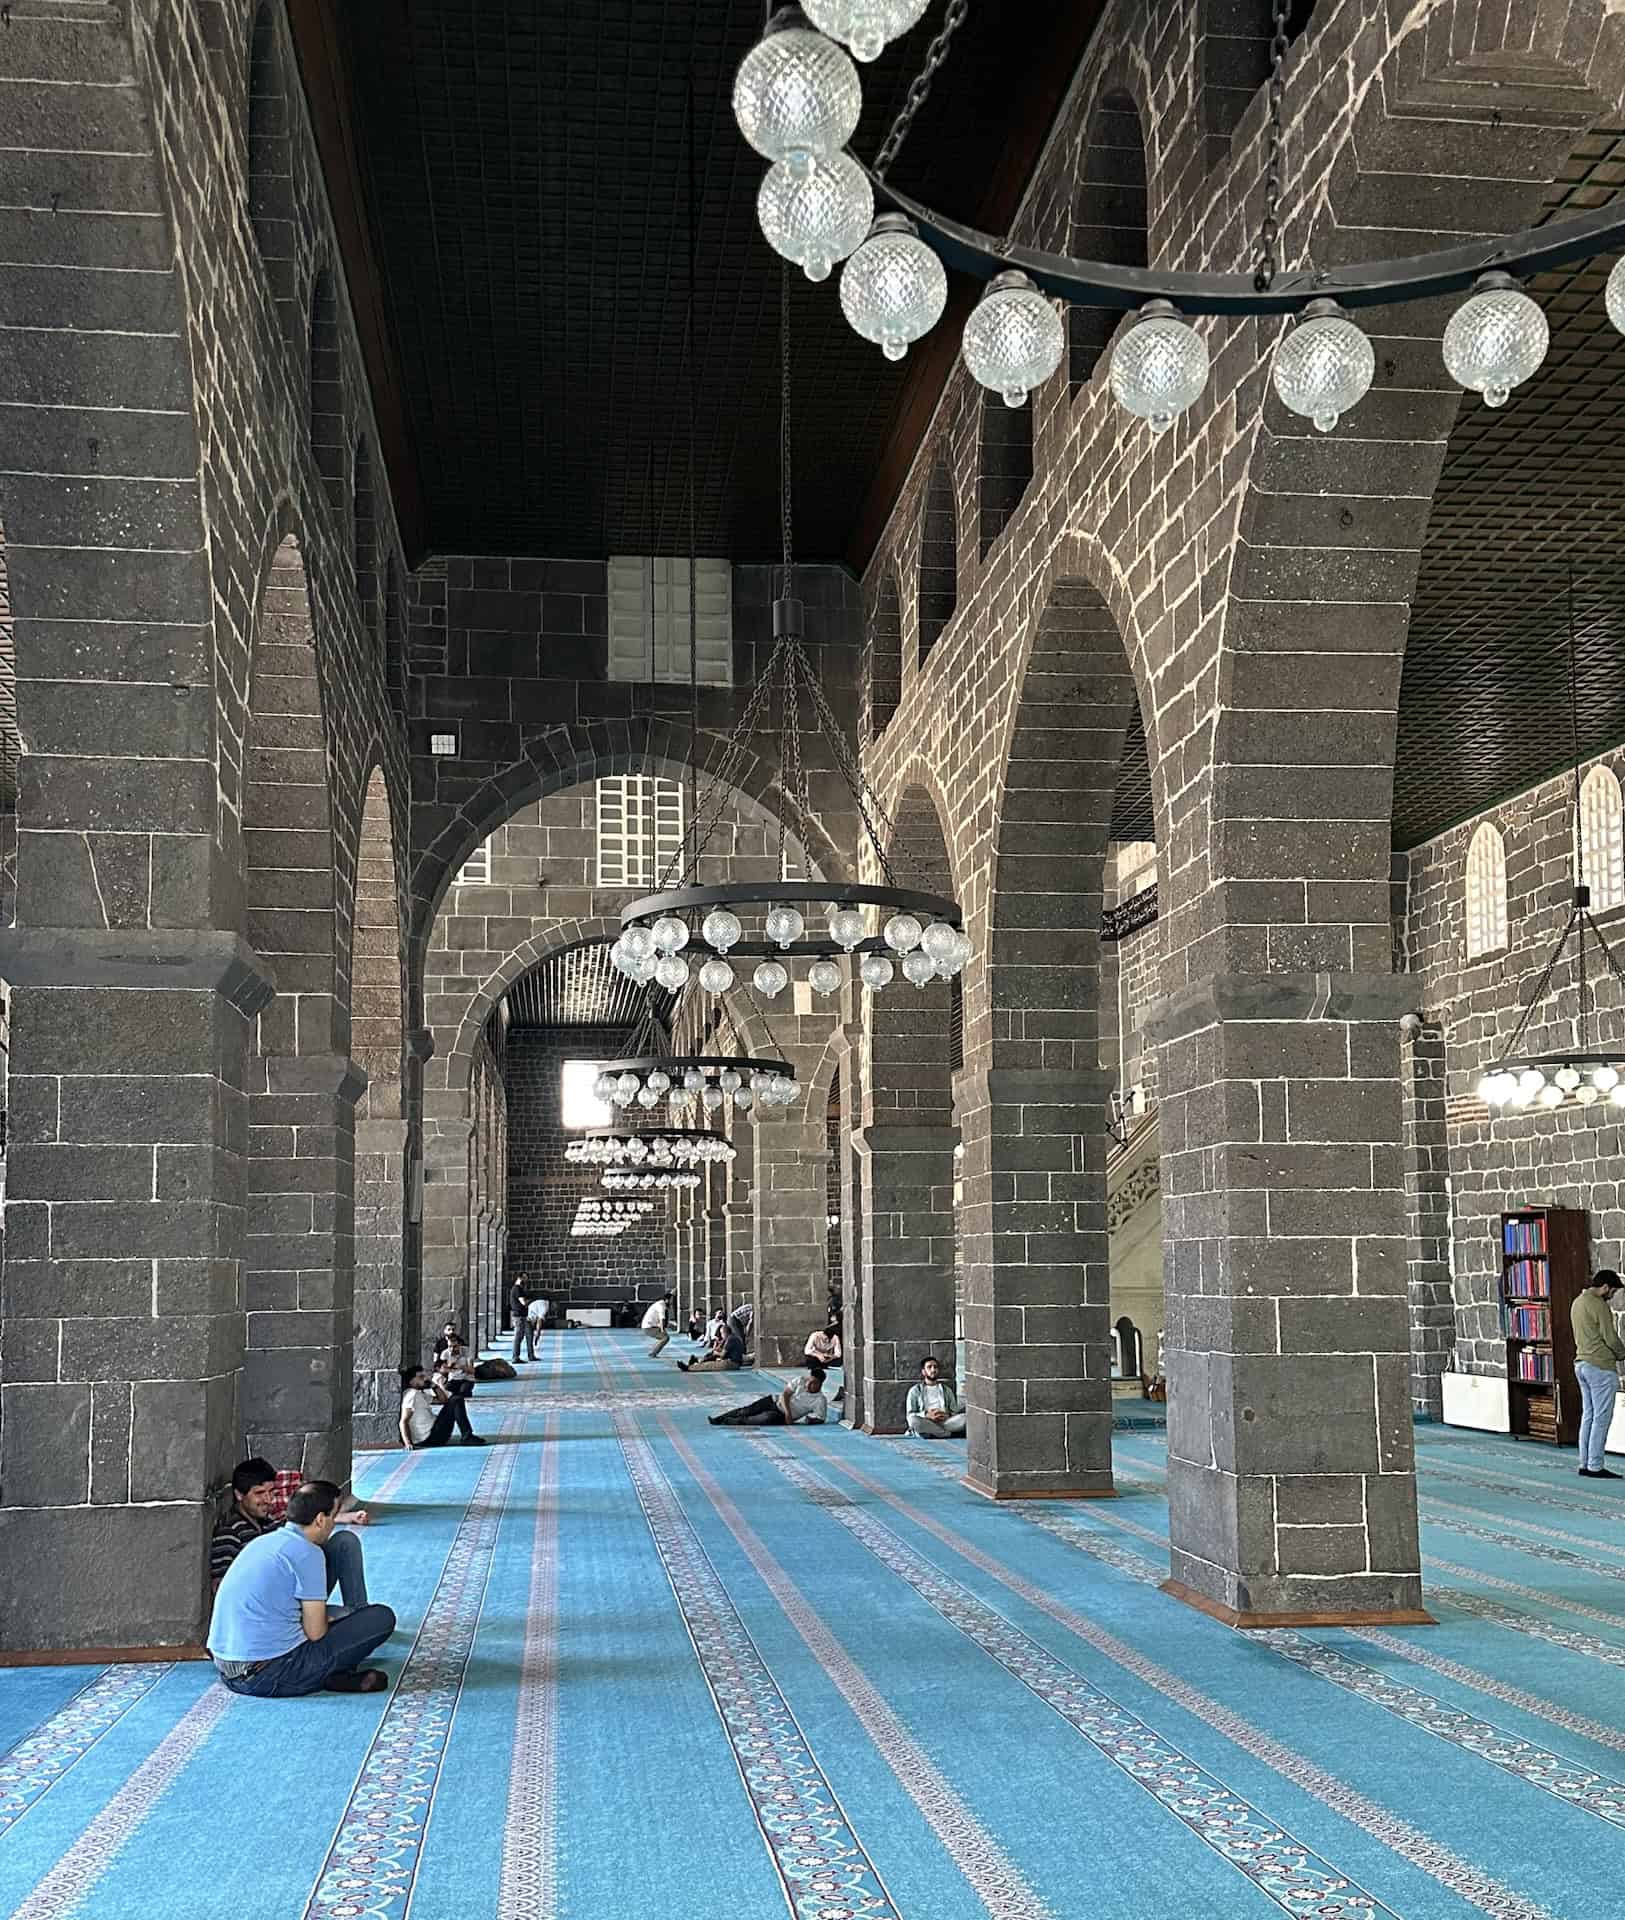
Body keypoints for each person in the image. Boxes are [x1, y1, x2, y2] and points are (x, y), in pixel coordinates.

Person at [207, 1481, 396, 1697]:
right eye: (333, 1517)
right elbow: (316, 1633)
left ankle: (336, 1675)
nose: (334, 1523)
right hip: (269, 1674)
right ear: (320, 1519)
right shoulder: (307, 1553)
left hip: (227, 1668)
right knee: (381, 1617)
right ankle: (329, 1674)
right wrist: (335, 1619)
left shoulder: (267, 1541)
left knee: (343, 1547)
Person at [209, 1459, 370, 1611]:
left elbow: (306, 1524)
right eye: (259, 1493)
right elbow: (222, 1587)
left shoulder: (267, 1520)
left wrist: (346, 1517)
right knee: (346, 1617)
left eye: (271, 1492)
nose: (268, 1499)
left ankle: (359, 1610)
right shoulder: (229, 1532)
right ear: (239, 1495)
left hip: (297, 1591)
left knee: (344, 1542)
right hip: (274, 1610)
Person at [1572, 1267, 1625, 1478]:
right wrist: (1622, 1354)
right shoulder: (1599, 1306)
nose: (1612, 1296)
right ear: (1605, 1287)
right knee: (1601, 1419)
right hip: (1601, 1367)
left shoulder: (1578, 1302)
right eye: (1612, 1292)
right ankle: (1595, 1466)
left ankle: (1584, 1463)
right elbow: (1610, 1338)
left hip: (1582, 1364)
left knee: (1589, 1416)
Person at [709, 1364, 829, 1427]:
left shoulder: (819, 1400)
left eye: (813, 1383)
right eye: (809, 1380)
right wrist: (789, 1414)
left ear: (820, 1384)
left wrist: (809, 1420)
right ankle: (718, 1419)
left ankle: (729, 1422)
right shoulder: (801, 1380)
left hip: (779, 1415)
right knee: (746, 1410)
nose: (809, 1384)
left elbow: (821, 1418)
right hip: (775, 1402)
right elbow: (785, 1395)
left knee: (762, 1418)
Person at [399, 1364, 486, 1447]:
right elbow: (403, 1421)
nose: (425, 1379)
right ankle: (467, 1436)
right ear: (411, 1381)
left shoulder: (419, 1394)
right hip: (431, 1437)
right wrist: (407, 1443)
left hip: (434, 1432)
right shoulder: (412, 1395)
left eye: (424, 1376)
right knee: (456, 1399)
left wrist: (434, 1386)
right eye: (421, 1377)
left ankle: (467, 1436)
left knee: (455, 1399)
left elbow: (443, 1400)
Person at [906, 1356, 966, 1438]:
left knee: (964, 1418)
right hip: (926, 1421)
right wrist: (926, 1415)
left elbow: (954, 1411)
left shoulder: (946, 1390)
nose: (933, 1370)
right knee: (913, 1421)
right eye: (929, 1367)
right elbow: (910, 1414)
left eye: (935, 1367)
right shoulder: (915, 1391)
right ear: (924, 1372)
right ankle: (946, 1434)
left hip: (945, 1422)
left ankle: (933, 1433)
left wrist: (946, 1415)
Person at [678, 1316, 746, 1373]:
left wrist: (716, 1353)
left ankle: (689, 1368)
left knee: (709, 1365)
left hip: (732, 1363)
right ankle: (695, 1364)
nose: (721, 1335)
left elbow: (722, 1354)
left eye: (721, 1333)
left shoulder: (731, 1339)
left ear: (725, 1333)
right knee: (710, 1359)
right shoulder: (733, 1337)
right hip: (733, 1362)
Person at [510, 1277, 532, 1362]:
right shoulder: (517, 1289)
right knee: (518, 1337)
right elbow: (523, 1302)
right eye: (524, 1278)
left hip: (521, 1316)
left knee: (521, 1336)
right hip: (519, 1316)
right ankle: (515, 1357)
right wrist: (530, 1301)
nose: (526, 1280)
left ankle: (519, 1356)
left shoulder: (518, 1288)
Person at [641, 1294, 671, 1358]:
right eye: (671, 1301)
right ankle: (653, 1353)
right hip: (648, 1327)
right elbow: (662, 1318)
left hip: (652, 1326)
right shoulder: (661, 1306)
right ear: (667, 1300)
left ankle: (653, 1351)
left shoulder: (660, 1304)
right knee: (665, 1338)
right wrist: (662, 1330)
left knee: (664, 1337)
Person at [525, 1287, 548, 1354]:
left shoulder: (543, 1303)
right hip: (527, 1319)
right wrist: (538, 1333)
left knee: (529, 1338)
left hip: (529, 1318)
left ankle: (531, 1356)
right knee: (529, 1338)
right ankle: (529, 1356)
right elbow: (539, 1321)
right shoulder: (544, 1307)